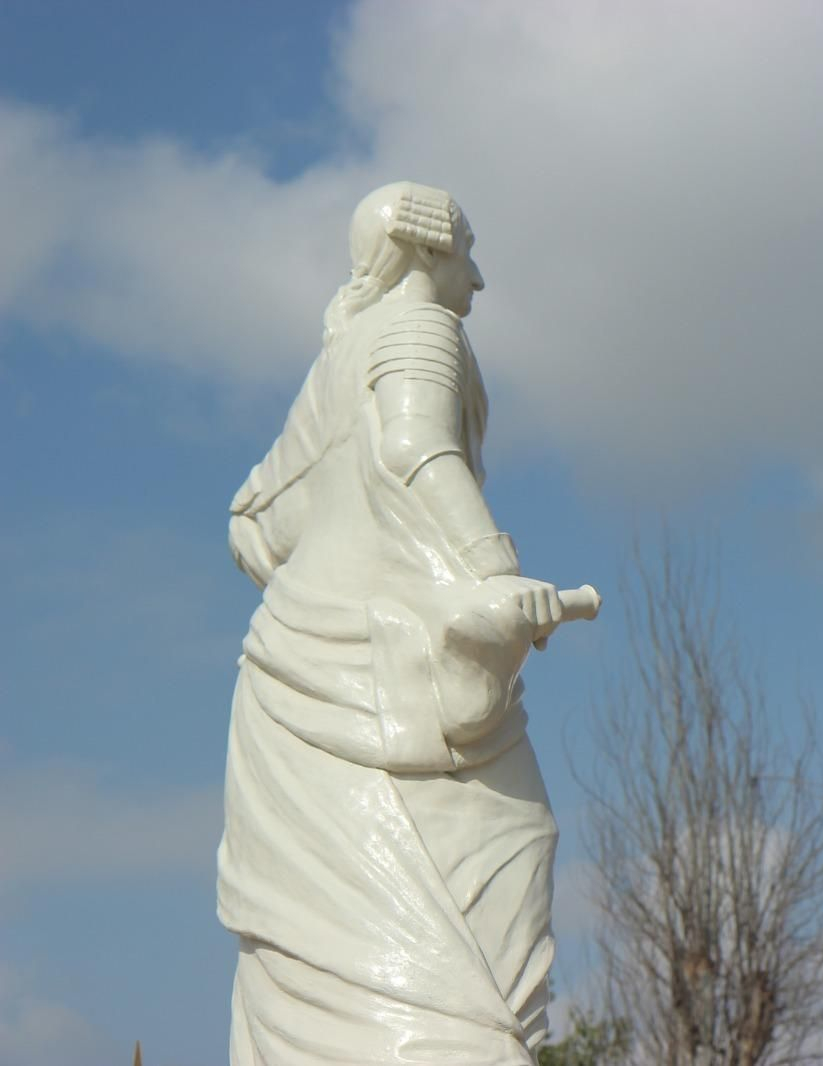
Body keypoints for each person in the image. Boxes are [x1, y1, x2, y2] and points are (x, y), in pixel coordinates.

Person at [219, 182, 573, 1063]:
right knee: (510, 847)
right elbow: (418, 449)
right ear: (425, 253)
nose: (479, 279)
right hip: (390, 684)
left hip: (288, 690)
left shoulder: (332, 369)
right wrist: (495, 574)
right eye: (467, 252)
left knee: (318, 949)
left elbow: (256, 528)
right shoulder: (421, 330)